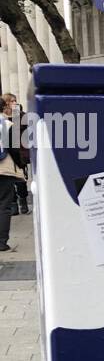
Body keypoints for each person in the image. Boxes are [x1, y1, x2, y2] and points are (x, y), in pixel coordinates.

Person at [0, 94, 27, 252]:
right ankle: (2, 242)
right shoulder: (8, 125)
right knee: (4, 205)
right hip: (4, 169)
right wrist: (20, 165)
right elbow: (16, 150)